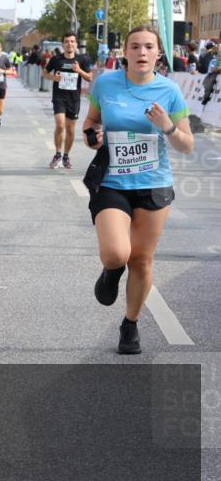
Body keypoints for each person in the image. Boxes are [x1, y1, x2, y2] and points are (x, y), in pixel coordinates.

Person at [83, 26, 194, 354]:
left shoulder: (170, 91)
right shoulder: (105, 83)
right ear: (125, 52)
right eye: (135, 46)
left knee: (142, 261)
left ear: (159, 53)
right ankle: (111, 270)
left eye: (149, 47)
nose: (142, 52)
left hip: (154, 185)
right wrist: (93, 137)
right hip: (112, 182)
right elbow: (90, 124)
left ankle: (130, 324)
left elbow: (187, 145)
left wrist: (168, 127)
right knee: (118, 253)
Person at [43, 33, 93, 169]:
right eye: (66, 41)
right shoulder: (56, 59)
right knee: (60, 125)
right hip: (59, 97)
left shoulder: (82, 59)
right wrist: (55, 78)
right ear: (63, 44)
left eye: (72, 41)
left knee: (70, 129)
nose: (69, 44)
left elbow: (90, 78)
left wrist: (79, 70)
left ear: (76, 44)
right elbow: (45, 73)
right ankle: (57, 154)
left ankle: (66, 156)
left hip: (74, 99)